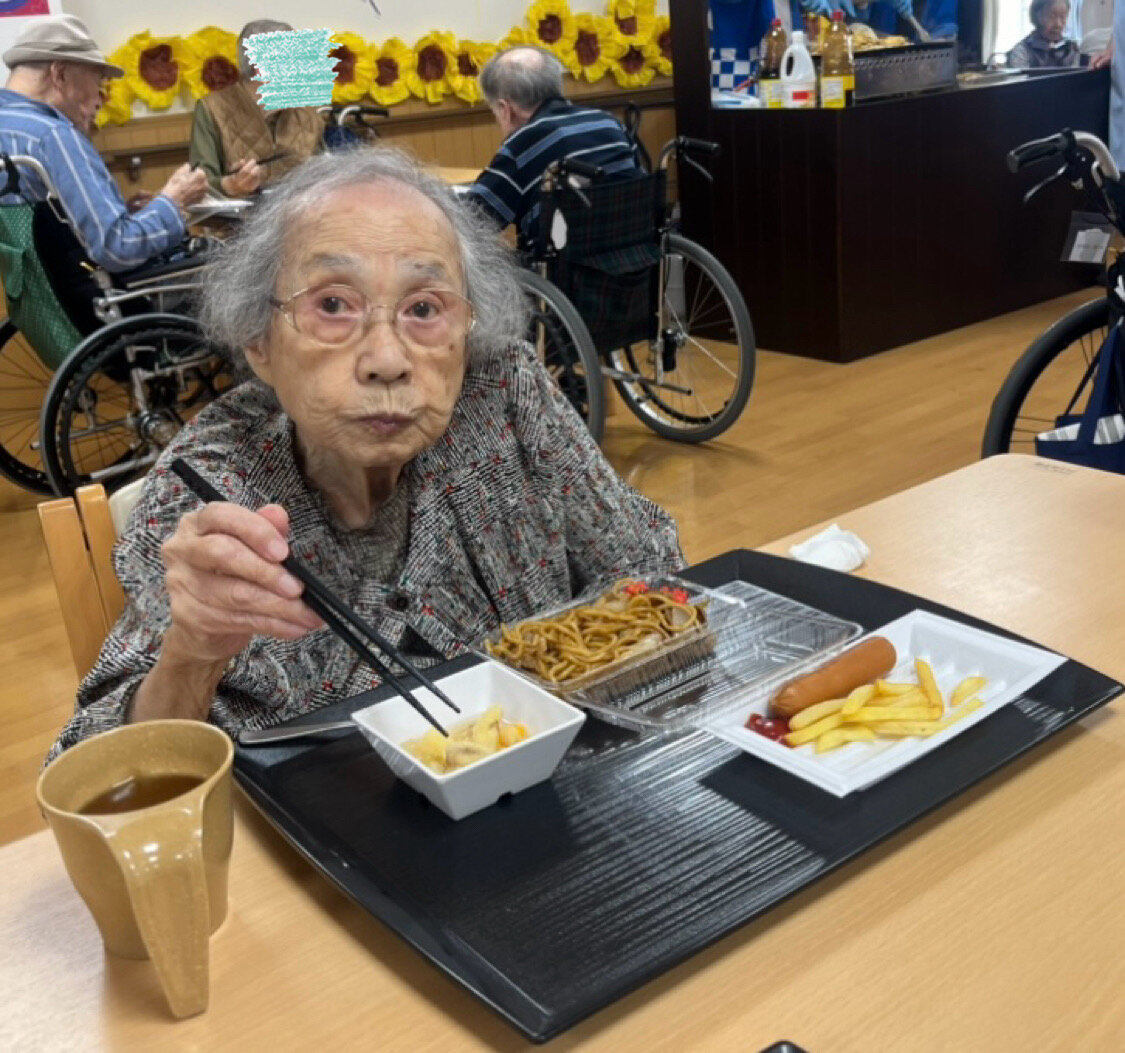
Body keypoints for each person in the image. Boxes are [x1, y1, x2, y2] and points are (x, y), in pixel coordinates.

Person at [46, 145, 684, 757]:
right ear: (258, 342)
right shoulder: (212, 484)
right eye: (333, 304)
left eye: (424, 308)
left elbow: (652, 569)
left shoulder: (504, 393)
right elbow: (102, 768)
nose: (386, 360)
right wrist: (193, 653)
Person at [0, 15, 207, 275]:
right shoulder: (55, 136)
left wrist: (122, 212)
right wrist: (174, 201)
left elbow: (50, 232)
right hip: (97, 294)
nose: (101, 98)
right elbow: (117, 249)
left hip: (34, 294)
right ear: (59, 74)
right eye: (98, 82)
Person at [464, 46, 642, 237]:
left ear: (504, 109)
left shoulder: (521, 147)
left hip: (563, 255)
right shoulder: (610, 123)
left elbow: (472, 222)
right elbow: (641, 187)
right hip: (635, 250)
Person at [188, 19, 322, 198]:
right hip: (239, 215)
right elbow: (198, 184)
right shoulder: (212, 109)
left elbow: (327, 173)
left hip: (301, 212)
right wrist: (230, 185)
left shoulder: (308, 110)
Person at [1007, 0, 1082, 68]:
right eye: (1052, 17)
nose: (1058, 24)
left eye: (1063, 17)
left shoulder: (1071, 49)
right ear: (1037, 16)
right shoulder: (1022, 51)